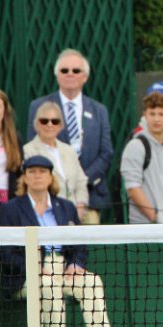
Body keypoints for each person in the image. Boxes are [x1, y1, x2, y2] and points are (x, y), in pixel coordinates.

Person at [0, 155, 122, 327]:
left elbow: (78, 245)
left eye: (42, 172)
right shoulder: (10, 209)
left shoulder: (65, 207)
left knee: (91, 282)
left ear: (50, 177)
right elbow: (6, 253)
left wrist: (76, 264)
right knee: (47, 285)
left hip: (64, 269)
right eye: (32, 172)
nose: (37, 176)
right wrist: (35, 268)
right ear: (25, 178)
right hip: (28, 275)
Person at [25, 49, 113, 224]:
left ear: (85, 76)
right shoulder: (39, 107)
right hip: (48, 200)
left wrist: (80, 181)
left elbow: (106, 153)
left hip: (89, 199)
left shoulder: (99, 110)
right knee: (51, 251)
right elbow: (35, 153)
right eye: (65, 70)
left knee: (85, 249)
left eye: (76, 70)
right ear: (57, 75)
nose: (70, 74)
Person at [120, 92, 163, 224]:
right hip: (147, 229)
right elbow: (133, 189)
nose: (156, 119)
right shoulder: (135, 146)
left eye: (161, 114)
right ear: (145, 115)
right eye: (152, 114)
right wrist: (156, 218)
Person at [23, 101, 89, 217]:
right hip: (48, 211)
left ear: (60, 126)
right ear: (37, 124)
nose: (50, 125)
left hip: (75, 210)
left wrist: (80, 206)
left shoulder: (69, 150)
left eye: (55, 121)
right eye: (44, 121)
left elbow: (81, 181)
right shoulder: (28, 150)